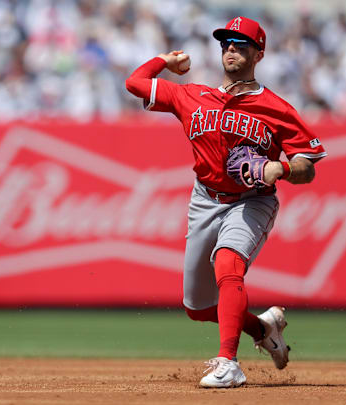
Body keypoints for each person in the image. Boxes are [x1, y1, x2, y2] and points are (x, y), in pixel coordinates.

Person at [125, 16, 327, 388]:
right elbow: (134, 83)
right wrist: (163, 62)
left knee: (228, 263)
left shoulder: (276, 107)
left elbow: (307, 166)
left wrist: (279, 168)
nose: (231, 48)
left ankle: (228, 363)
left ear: (259, 53)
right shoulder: (192, 95)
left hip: (252, 200)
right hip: (205, 200)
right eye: (226, 43)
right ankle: (263, 327)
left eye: (241, 43)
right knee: (198, 308)